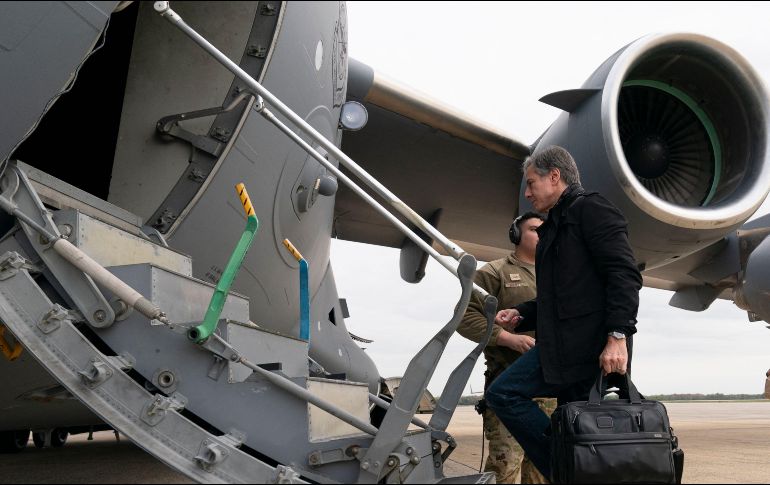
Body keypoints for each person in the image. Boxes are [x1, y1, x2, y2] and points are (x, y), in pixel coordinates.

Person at [485, 145, 643, 480]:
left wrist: (617, 337)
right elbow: (561, 297)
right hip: (560, 348)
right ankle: (568, 470)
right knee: (571, 431)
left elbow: (624, 275)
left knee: (509, 395)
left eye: (531, 184)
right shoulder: (553, 228)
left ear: (555, 177)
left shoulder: (593, 210)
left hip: (592, 350)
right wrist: (521, 314)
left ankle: (566, 471)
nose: (527, 194)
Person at [457, 212, 555, 484]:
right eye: (535, 229)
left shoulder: (559, 276)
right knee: (506, 467)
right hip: (508, 384)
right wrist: (507, 338)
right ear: (516, 235)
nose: (542, 234)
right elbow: (465, 316)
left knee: (546, 468)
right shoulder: (493, 272)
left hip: (550, 392)